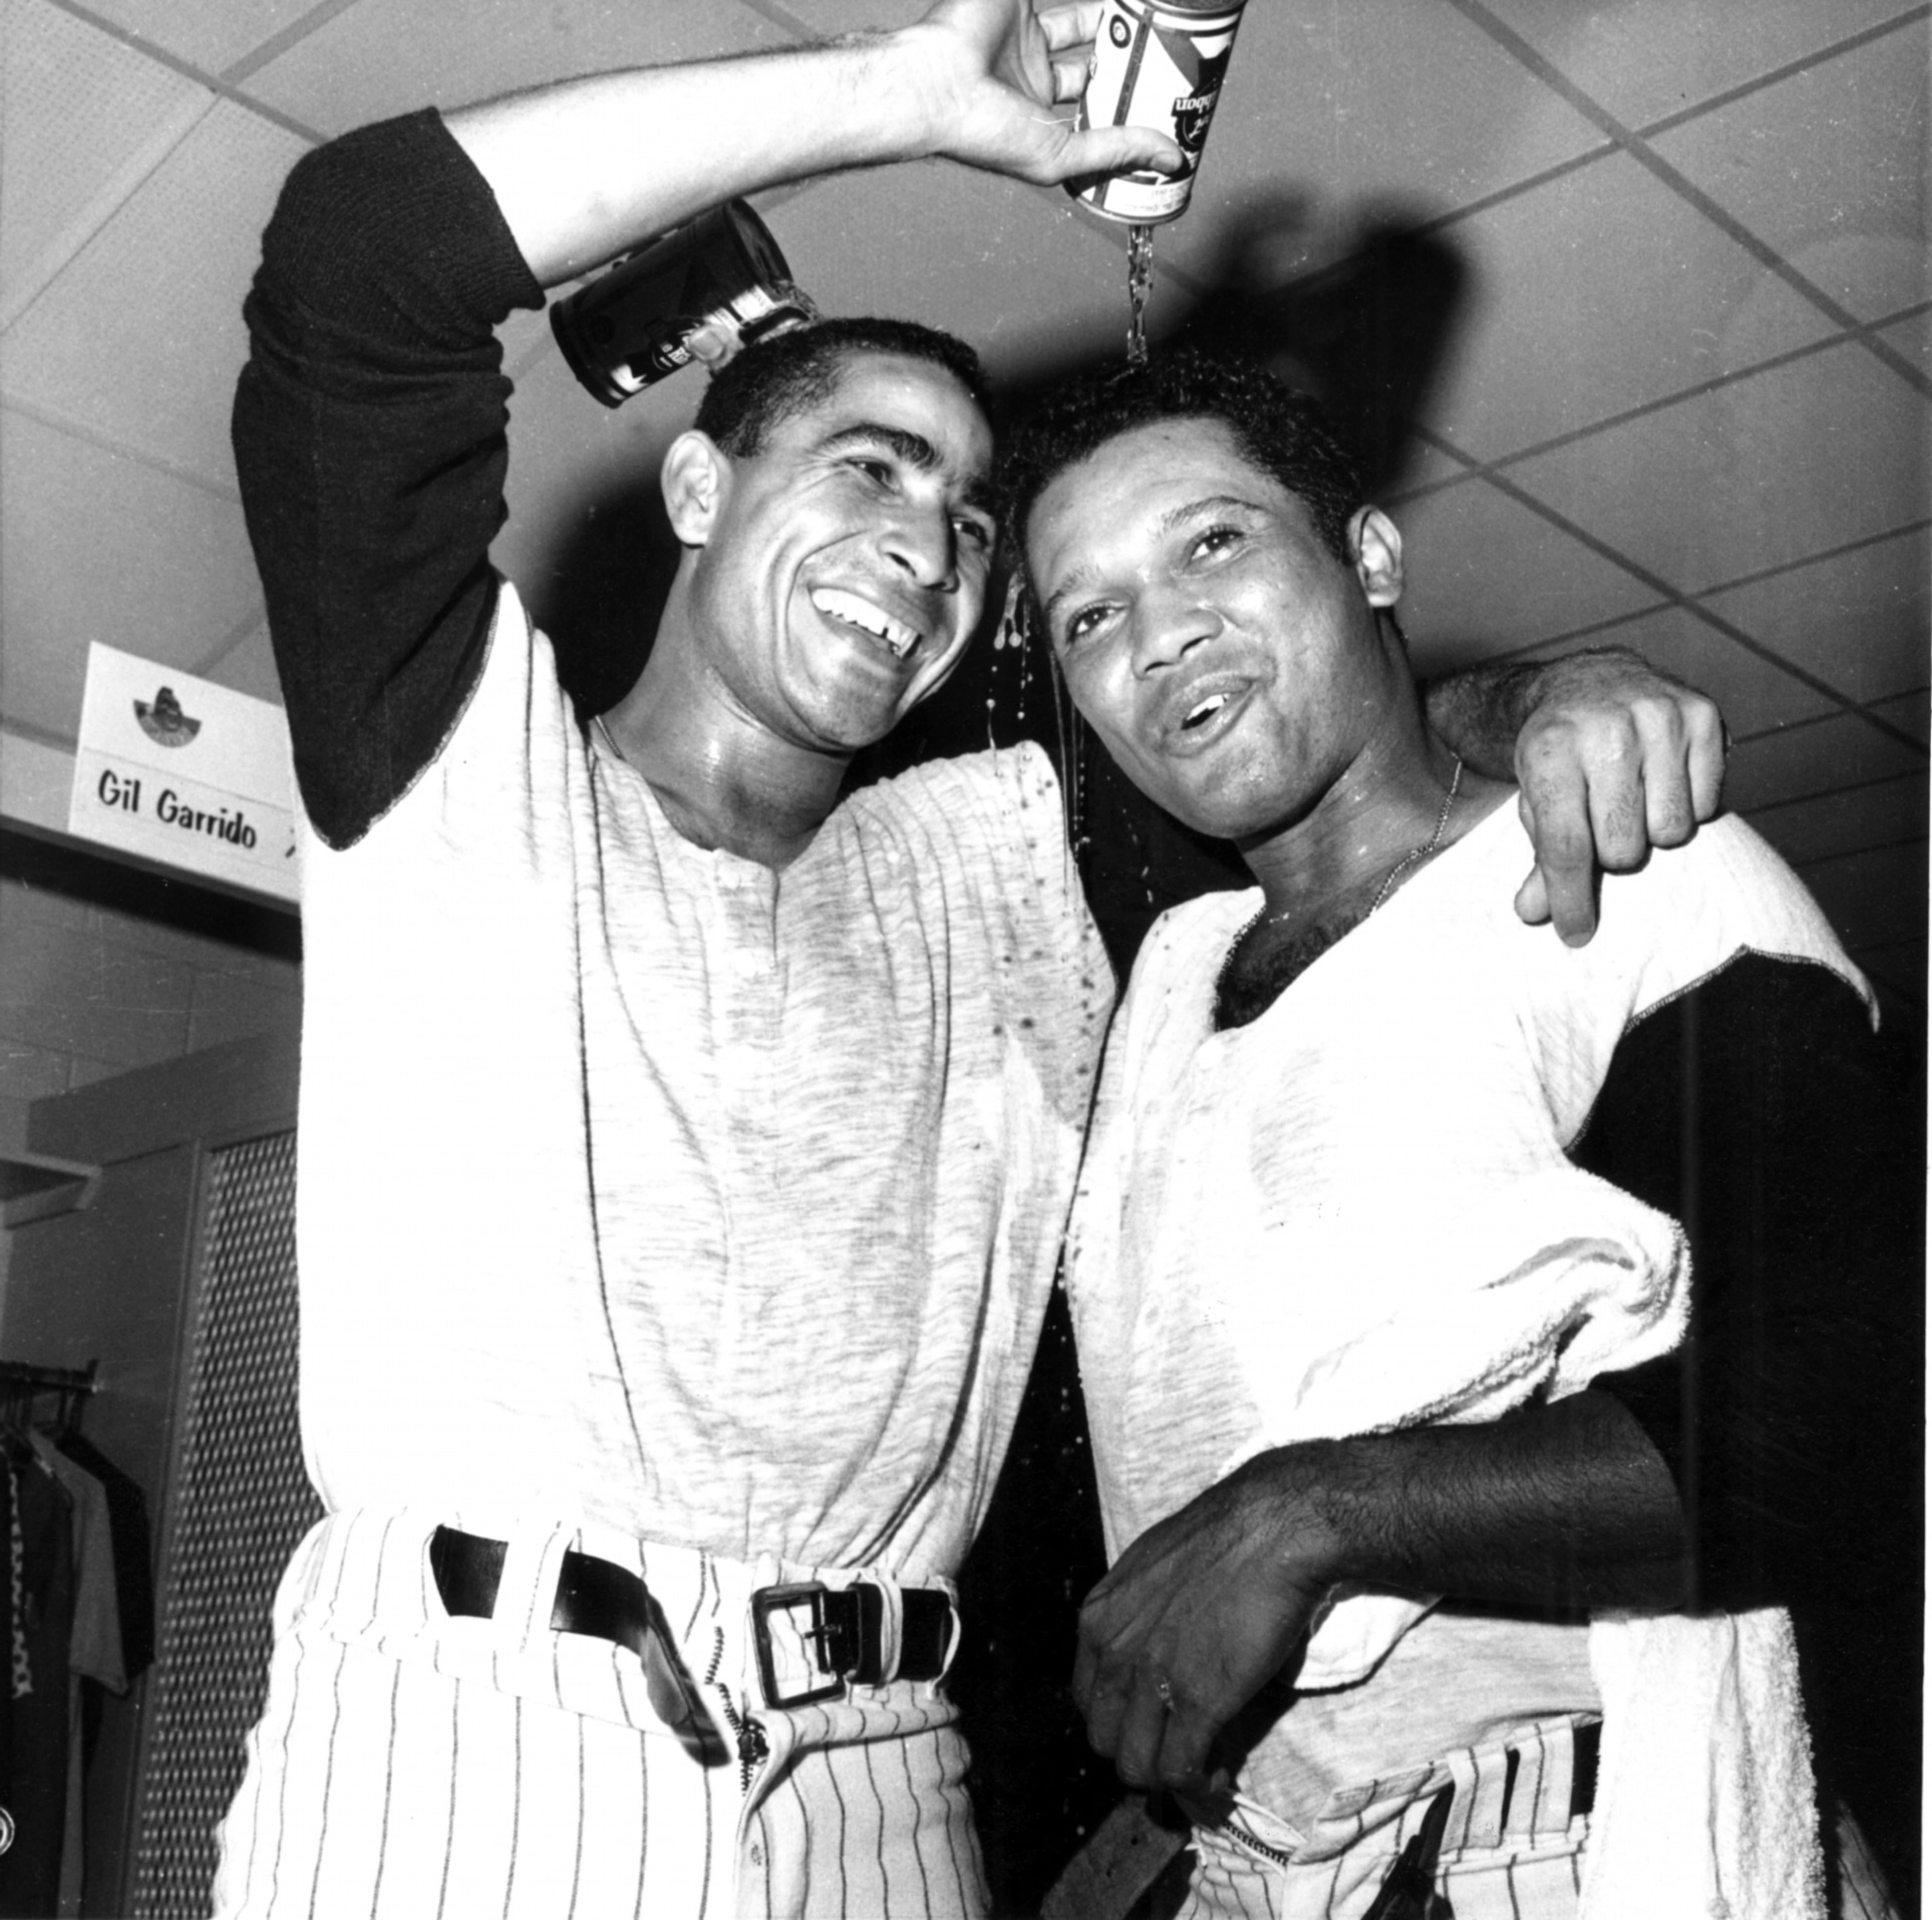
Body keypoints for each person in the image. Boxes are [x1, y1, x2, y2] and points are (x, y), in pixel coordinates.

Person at [219, 8, 1729, 1914]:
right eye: (865, 469)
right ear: (698, 495)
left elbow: (1320, 754)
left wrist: (1544, 692)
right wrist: (908, 101)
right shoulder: (457, 768)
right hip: (481, 1741)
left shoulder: (1003, 873)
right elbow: (358, 260)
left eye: (965, 520)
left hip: (885, 1792)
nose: (928, 546)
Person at [1003, 347, 1915, 1919]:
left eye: (1213, 541)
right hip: (1256, 1852)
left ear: (1369, 557)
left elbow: (1839, 1428)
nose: (1159, 635)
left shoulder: (1628, 873)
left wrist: (1307, 1513)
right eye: (1089, 616)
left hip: (1564, 1826)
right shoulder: (1166, 982)